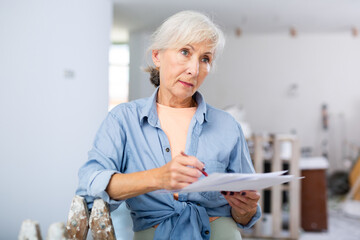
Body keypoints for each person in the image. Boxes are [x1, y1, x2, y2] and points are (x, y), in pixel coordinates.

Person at [76, 10, 261, 240]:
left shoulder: (228, 126)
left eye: (205, 59)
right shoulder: (123, 120)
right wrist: (157, 178)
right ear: (157, 56)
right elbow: (89, 188)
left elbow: (246, 216)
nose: (194, 69)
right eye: (185, 52)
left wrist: (246, 209)